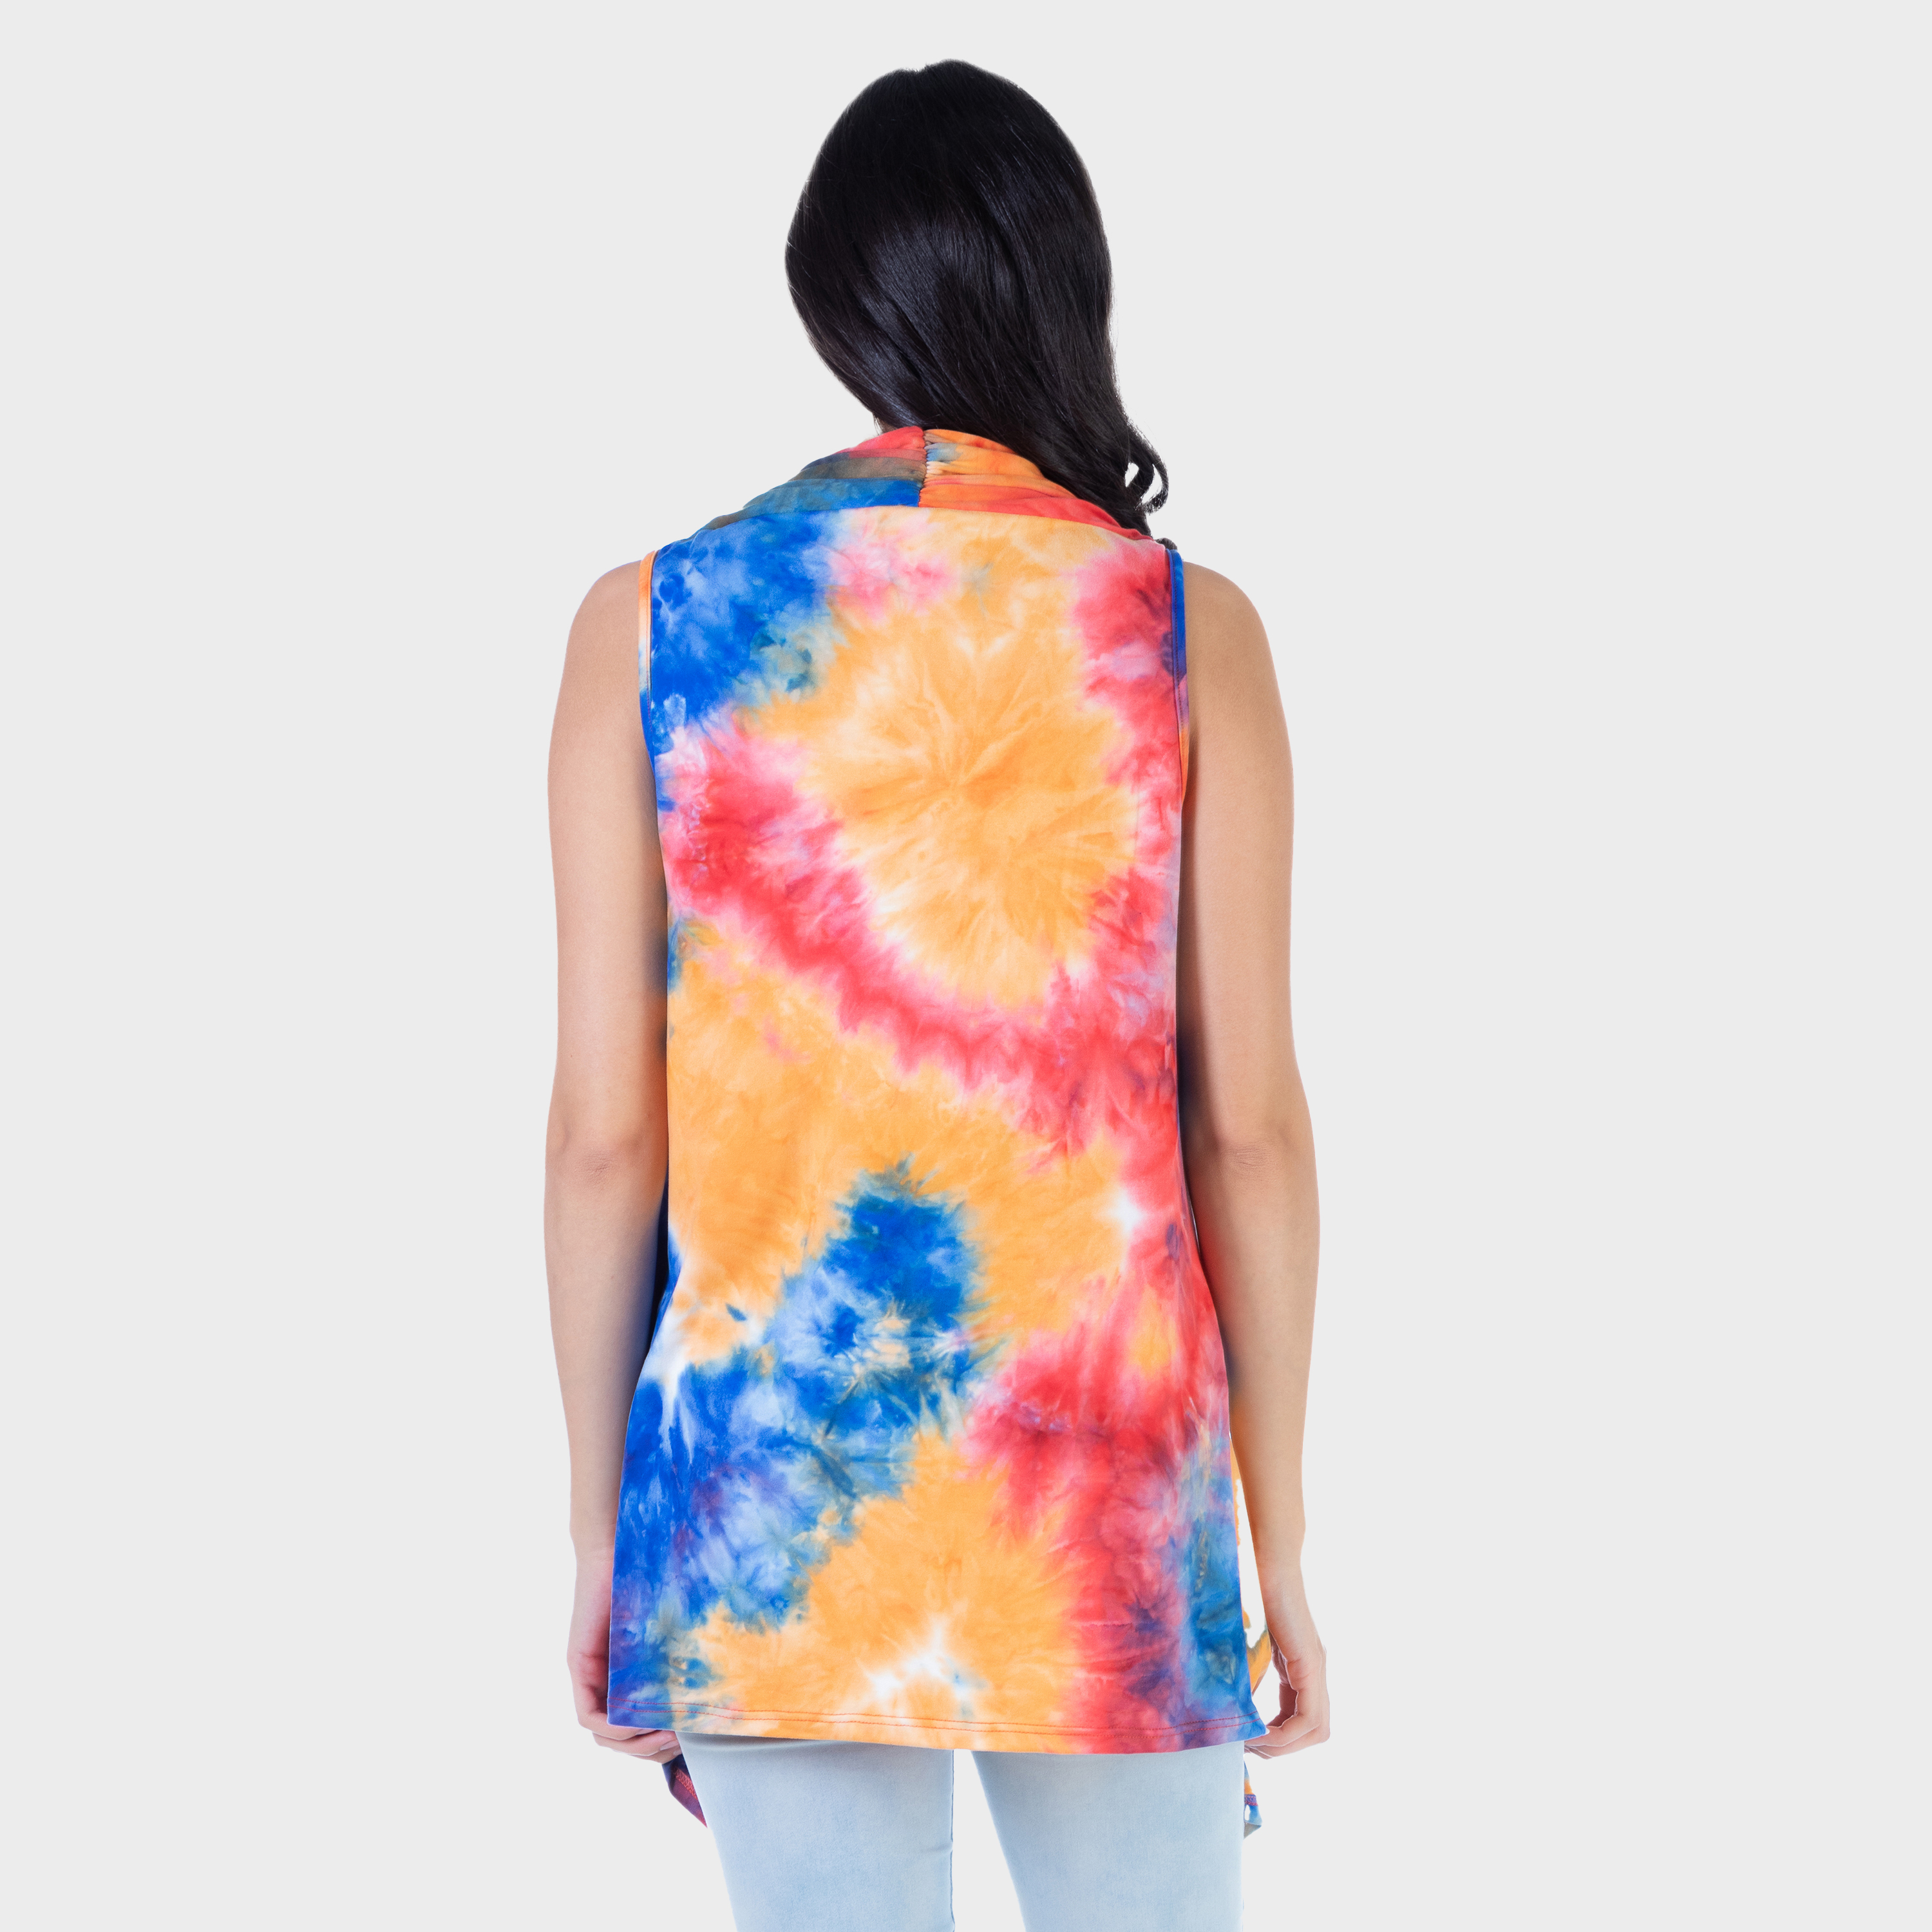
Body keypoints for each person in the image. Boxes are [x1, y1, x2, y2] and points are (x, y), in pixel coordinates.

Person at [545, 59, 1327, 1932]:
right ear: (1069, 285)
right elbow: (1246, 1127)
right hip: (1108, 1490)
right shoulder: (1182, 627)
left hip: (772, 1491)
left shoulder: (651, 622)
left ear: (837, 300)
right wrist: (1278, 1538)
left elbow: (604, 1140)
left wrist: (601, 1532)